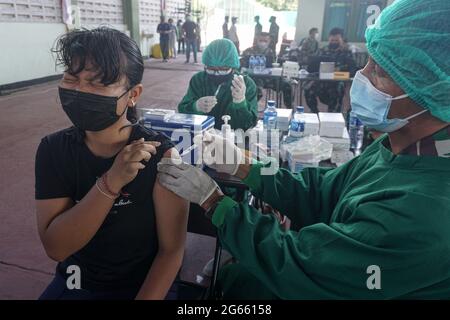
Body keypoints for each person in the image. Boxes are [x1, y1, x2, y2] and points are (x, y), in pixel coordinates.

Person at [157, 0, 450, 299]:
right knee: (237, 278)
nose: (360, 78)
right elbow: (320, 190)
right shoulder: (399, 146)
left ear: (434, 88)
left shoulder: (426, 211)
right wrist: (243, 165)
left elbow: (303, 265)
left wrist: (215, 202)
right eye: (368, 61)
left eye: (380, 72)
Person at [36, 27, 189, 300]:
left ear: (133, 94)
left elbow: (171, 252)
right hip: (76, 283)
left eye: (98, 83)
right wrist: (112, 182)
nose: (80, 90)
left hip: (141, 287)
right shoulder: (53, 150)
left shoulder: (162, 157)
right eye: (72, 78)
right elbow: (56, 248)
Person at [178, 39, 258, 131]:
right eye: (211, 68)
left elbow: (249, 124)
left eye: (223, 69)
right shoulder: (198, 80)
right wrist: (195, 106)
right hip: (201, 136)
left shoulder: (246, 84)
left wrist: (240, 103)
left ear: (233, 66)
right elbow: (182, 110)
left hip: (234, 140)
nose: (217, 74)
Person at [304, 27, 356, 113]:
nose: (334, 42)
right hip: (322, 81)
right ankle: (314, 113)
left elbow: (352, 70)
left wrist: (339, 70)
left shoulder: (347, 53)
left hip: (337, 82)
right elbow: (312, 67)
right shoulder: (323, 50)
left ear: (342, 40)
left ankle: (333, 116)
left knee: (338, 88)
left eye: (336, 41)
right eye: (332, 40)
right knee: (308, 88)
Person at [241, 32, 293, 108]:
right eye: (261, 40)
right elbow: (242, 67)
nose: (263, 43)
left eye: (265, 41)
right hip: (254, 78)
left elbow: (274, 66)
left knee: (287, 85)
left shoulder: (271, 52)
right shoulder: (248, 51)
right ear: (257, 40)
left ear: (269, 41)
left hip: (268, 78)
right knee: (257, 90)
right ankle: (250, 110)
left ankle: (289, 109)